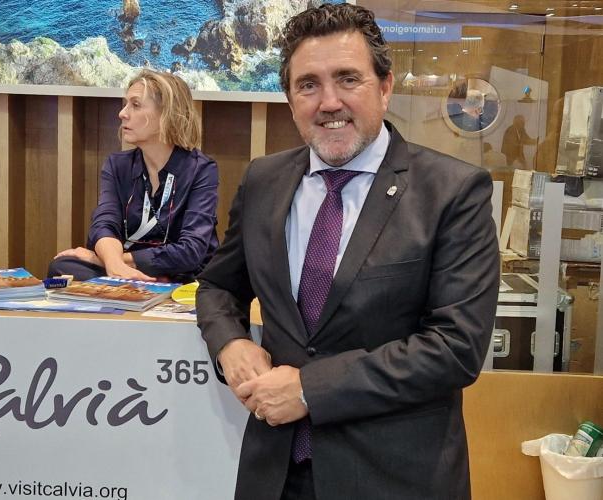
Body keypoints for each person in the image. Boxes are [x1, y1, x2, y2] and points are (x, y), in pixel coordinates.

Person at [196, 4, 499, 500]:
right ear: (290, 99)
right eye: (308, 85)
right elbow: (217, 286)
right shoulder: (263, 180)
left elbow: (456, 348)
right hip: (274, 474)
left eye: (347, 79)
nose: (329, 102)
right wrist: (230, 343)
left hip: (394, 478)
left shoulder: (453, 192)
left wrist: (309, 389)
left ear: (385, 86)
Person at [48, 70, 219, 283]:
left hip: (183, 274)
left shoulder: (200, 169)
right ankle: (141, 283)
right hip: (127, 271)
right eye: (125, 104)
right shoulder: (117, 165)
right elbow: (104, 224)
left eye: (135, 105)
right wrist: (114, 263)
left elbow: (191, 251)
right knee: (62, 266)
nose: (122, 113)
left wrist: (103, 261)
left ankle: (137, 283)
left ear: (167, 114)